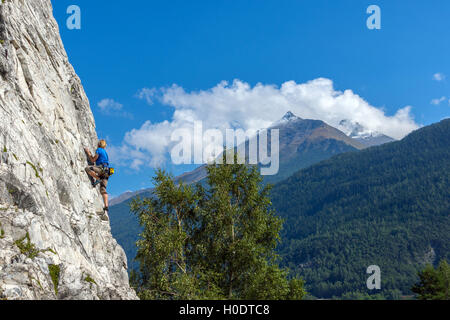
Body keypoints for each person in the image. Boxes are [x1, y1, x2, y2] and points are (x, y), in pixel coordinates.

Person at [84, 140, 110, 221]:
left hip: (101, 169)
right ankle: (106, 208)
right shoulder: (105, 152)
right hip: (107, 171)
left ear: (99, 144)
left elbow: (92, 160)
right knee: (103, 190)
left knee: (88, 168)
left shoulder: (99, 150)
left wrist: (88, 152)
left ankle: (98, 178)